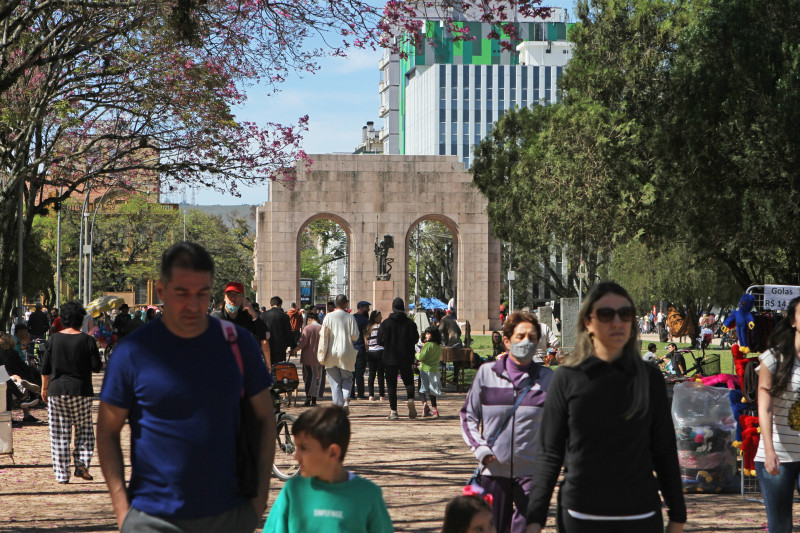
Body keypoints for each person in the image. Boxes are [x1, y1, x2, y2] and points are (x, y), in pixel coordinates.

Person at [96, 242, 276, 532]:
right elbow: (107, 430)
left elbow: (266, 418)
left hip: (228, 514)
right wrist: (122, 511)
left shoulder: (238, 344)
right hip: (151, 518)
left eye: (201, 293)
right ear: (162, 292)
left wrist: (258, 501)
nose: (193, 305)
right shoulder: (133, 352)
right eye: (182, 293)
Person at [525, 281, 685, 533]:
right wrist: (534, 519)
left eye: (626, 314)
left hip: (640, 515)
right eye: (606, 314)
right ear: (588, 322)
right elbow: (550, 453)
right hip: (580, 515)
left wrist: (678, 515)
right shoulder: (567, 377)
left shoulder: (649, 378)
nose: (617, 321)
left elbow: (664, 450)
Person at [461, 311, 554, 533]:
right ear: (506, 340)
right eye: (520, 336)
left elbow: (562, 426)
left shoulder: (549, 379)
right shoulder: (486, 374)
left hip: (532, 474)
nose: (527, 342)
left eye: (532, 337)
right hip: (493, 471)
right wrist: (480, 449)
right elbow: (468, 416)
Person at [262, 405, 394, 533]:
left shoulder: (368, 495)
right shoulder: (293, 491)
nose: (296, 457)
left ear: (333, 453)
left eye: (303, 448)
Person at [40, 300, 103, 483]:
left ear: (64, 319)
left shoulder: (54, 339)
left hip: (57, 390)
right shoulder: (87, 340)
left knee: (59, 433)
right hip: (81, 391)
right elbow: (97, 367)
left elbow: (45, 368)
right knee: (84, 430)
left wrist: (44, 389)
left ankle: (62, 475)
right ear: (81, 319)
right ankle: (81, 462)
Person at [755, 296, 800, 533]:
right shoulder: (773, 358)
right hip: (778, 456)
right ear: (793, 320)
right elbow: (765, 407)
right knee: (781, 526)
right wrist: (770, 451)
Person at [377, 298, 419, 420]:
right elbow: (415, 339)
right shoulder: (410, 323)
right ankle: (410, 398)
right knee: (409, 381)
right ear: (403, 308)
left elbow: (380, 341)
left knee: (391, 385)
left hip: (390, 358)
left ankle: (393, 411)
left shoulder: (386, 323)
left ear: (393, 308)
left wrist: (388, 344)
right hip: (406, 357)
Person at [212, 281, 271, 368]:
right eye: (229, 294)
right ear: (225, 297)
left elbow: (265, 335)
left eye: (237, 294)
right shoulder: (217, 316)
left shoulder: (245, 316)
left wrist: (253, 314)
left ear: (243, 298)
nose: (233, 298)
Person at [319, 294, 360, 412]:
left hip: (331, 353)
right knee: (347, 379)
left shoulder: (328, 317)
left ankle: (338, 409)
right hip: (346, 352)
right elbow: (355, 336)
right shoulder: (350, 317)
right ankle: (346, 399)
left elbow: (323, 334)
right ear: (346, 303)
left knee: (335, 383)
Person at [0, 333, 42, 424]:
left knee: (15, 380)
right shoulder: (13, 353)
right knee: (18, 379)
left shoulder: (1, 354)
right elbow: (23, 367)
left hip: (7, 376)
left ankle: (22, 395)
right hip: (8, 377)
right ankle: (25, 400)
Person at [294, 311, 325, 407]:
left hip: (308, 357)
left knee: (308, 377)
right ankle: (314, 398)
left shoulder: (307, 328)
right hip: (320, 358)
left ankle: (308, 397)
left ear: (309, 319)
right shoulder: (322, 328)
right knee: (317, 377)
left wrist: (295, 350)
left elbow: (303, 343)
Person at [416, 326, 442, 418]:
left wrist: (416, 354)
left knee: (421, 389)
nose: (426, 336)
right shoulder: (438, 345)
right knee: (432, 390)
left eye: (428, 334)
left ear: (433, 335)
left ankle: (425, 404)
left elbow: (421, 357)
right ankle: (434, 408)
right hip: (435, 369)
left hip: (425, 369)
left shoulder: (428, 345)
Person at [261, 296, 296, 366]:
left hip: (266, 347)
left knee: (267, 368)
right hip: (280, 348)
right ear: (280, 304)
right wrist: (293, 346)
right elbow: (289, 332)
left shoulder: (263, 315)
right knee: (279, 370)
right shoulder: (284, 316)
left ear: (271, 304)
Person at [352, 300, 371, 400]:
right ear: (362, 308)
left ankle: (351, 394)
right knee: (360, 372)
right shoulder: (365, 320)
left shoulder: (351, 318)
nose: (369, 309)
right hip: (361, 348)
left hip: (351, 348)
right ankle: (360, 393)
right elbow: (367, 335)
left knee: (352, 372)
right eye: (367, 307)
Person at [365, 311, 386, 402]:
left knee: (372, 374)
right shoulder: (380, 327)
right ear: (375, 318)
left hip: (371, 352)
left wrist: (368, 350)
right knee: (380, 374)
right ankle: (382, 395)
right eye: (379, 317)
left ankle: (371, 395)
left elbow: (366, 343)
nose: (381, 318)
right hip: (380, 351)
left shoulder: (368, 328)